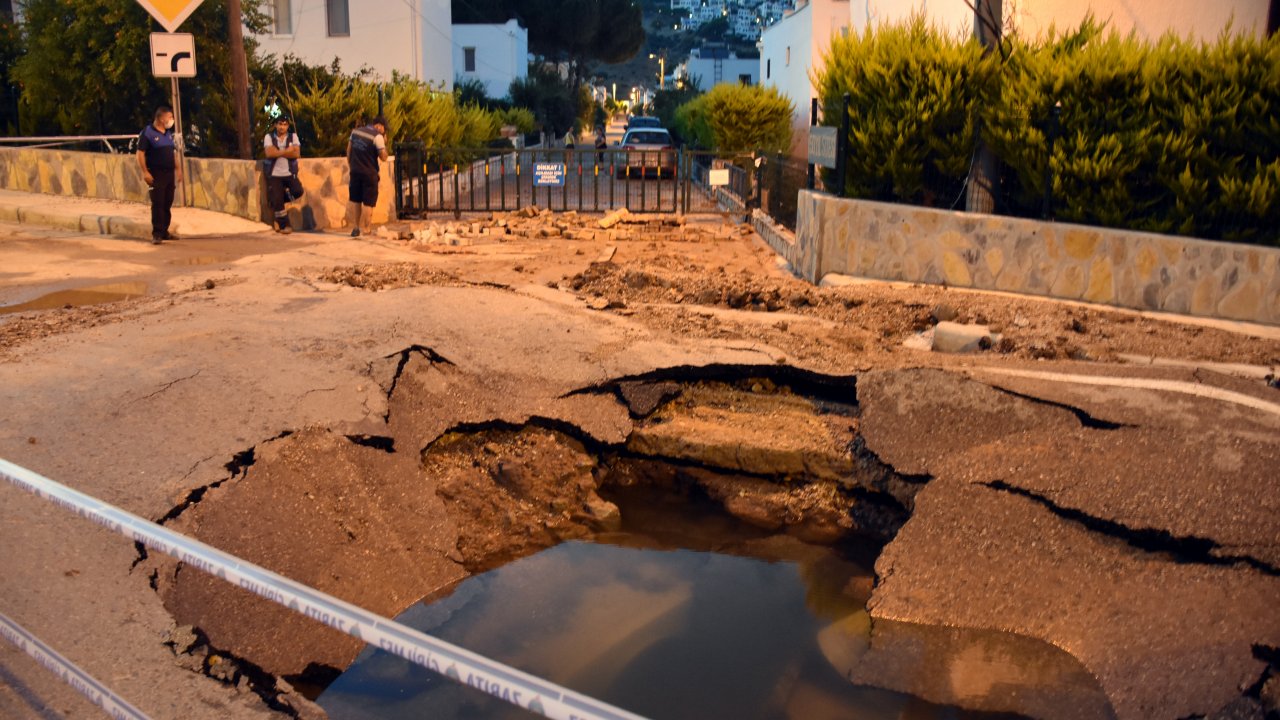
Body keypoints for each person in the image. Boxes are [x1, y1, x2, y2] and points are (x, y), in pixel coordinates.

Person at [136, 106, 182, 244]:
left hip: (169, 174)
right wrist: (145, 172)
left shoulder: (168, 133)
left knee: (167, 202)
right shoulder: (148, 133)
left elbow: (173, 153)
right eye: (170, 117)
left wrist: (178, 169)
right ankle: (157, 234)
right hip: (156, 174)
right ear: (161, 118)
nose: (171, 120)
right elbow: (140, 154)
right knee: (158, 203)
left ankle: (165, 231)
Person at [346, 116, 388, 238]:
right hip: (370, 173)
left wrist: (351, 166)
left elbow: (349, 151)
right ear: (379, 126)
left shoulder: (355, 132)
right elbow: (383, 157)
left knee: (356, 200)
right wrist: (384, 143)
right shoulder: (377, 136)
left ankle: (355, 228)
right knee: (368, 203)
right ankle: (367, 229)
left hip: (355, 171)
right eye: (384, 129)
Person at [263, 115, 304, 234]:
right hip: (274, 174)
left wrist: (278, 152)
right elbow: (269, 153)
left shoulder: (293, 136)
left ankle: (276, 201)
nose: (282, 127)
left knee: (298, 191)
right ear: (276, 125)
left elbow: (296, 154)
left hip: (289, 172)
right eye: (280, 124)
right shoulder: (269, 137)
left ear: (288, 126)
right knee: (278, 199)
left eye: (285, 124)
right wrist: (287, 151)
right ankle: (285, 225)